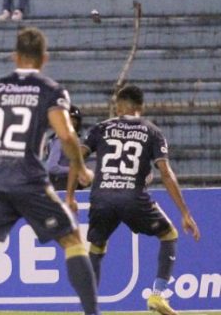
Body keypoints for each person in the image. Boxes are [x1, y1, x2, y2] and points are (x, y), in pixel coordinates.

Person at [0, 27, 100, 315]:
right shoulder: (50, 90)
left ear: (14, 56)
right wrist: (81, 168)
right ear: (44, 58)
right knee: (71, 241)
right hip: (29, 180)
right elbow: (67, 136)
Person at [66, 85, 201, 315]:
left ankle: (89, 310)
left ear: (118, 106)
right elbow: (166, 173)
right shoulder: (151, 131)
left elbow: (75, 158)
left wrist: (69, 196)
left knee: (96, 248)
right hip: (133, 197)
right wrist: (185, 213)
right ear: (141, 107)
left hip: (102, 197)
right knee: (169, 234)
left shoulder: (101, 128)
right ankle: (157, 296)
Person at [46, 104, 82, 190]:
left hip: (68, 182)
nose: (73, 122)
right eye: (70, 119)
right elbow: (52, 167)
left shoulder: (72, 138)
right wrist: (74, 170)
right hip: (61, 183)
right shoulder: (60, 140)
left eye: (75, 120)